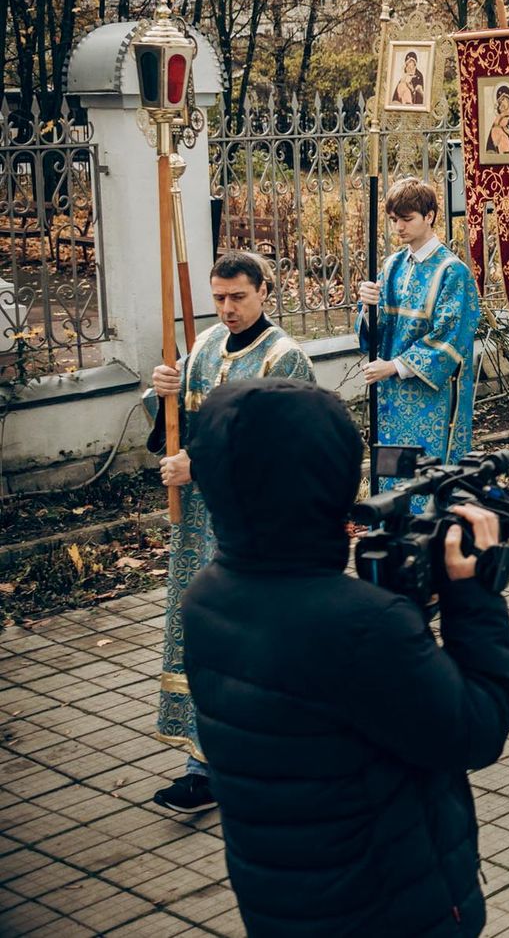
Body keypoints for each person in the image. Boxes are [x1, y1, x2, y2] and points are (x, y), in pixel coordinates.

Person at [181, 377, 509, 935]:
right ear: (327, 479)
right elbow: (476, 729)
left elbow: (328, 703)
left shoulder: (205, 599)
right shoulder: (360, 625)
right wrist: (472, 594)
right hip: (389, 906)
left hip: (282, 897)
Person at [145, 252, 316, 813]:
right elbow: (181, 423)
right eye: (218, 298)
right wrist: (163, 392)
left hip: (254, 534)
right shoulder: (204, 347)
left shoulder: (284, 361)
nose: (227, 308)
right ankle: (207, 760)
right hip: (199, 529)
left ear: (266, 290)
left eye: (238, 297)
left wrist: (202, 463)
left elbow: (287, 450)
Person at [355, 178, 480, 484]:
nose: (399, 227)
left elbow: (450, 338)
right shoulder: (392, 265)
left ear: (430, 216)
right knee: (392, 473)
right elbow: (380, 329)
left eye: (407, 219)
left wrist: (394, 366)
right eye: (394, 220)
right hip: (391, 395)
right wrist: (368, 308)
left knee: (427, 478)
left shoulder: (452, 271)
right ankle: (392, 529)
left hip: (431, 397)